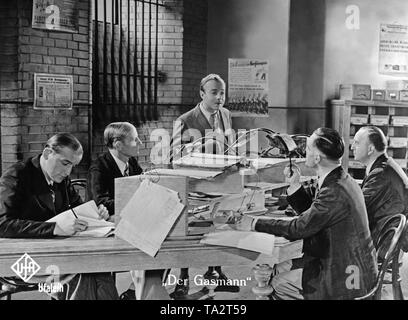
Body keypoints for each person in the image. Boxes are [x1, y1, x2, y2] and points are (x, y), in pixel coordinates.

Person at [236, 127, 378, 299]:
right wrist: (295, 184)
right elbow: (315, 216)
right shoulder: (340, 178)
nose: (304, 152)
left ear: (317, 157)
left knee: (277, 284)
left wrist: (254, 222)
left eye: (309, 148)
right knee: (277, 268)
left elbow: (299, 227)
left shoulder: (334, 191)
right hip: (349, 262)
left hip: (344, 276)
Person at [0, 133, 118, 300]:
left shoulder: (61, 178)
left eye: (73, 166)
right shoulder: (17, 175)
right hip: (19, 261)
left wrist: (97, 214)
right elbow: (3, 224)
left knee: (98, 267)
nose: (68, 171)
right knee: (81, 271)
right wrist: (55, 228)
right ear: (48, 154)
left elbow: (78, 209)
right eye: (65, 163)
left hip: (52, 252)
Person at [169, 74, 239, 299]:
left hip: (220, 183)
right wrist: (202, 149)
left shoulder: (226, 114)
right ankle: (183, 279)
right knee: (191, 231)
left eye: (222, 93)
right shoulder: (185, 120)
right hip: (195, 185)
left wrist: (236, 160)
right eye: (214, 93)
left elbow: (229, 146)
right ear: (201, 94)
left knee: (218, 227)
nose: (219, 98)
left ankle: (215, 273)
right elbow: (174, 157)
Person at [87, 122, 169, 300]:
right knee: (153, 238)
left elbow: (142, 187)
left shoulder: (130, 161)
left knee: (162, 235)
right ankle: (142, 291)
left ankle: (137, 290)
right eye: (134, 139)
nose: (140, 142)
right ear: (118, 144)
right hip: (105, 227)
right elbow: (100, 201)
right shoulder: (99, 167)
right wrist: (138, 204)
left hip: (129, 219)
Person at [351, 126, 408, 253]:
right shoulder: (386, 165)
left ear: (371, 149)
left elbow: (356, 209)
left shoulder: (380, 173)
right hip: (386, 239)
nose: (352, 147)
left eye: (357, 143)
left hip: (381, 245)